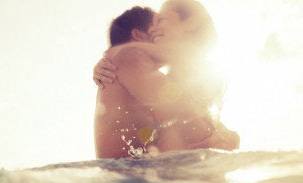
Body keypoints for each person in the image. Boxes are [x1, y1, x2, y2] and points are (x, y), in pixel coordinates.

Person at [94, 0, 239, 159]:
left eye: (161, 21)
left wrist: (226, 135)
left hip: (137, 175)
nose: (155, 30)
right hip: (126, 177)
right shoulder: (127, 59)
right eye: (153, 25)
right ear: (138, 35)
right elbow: (182, 114)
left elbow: (187, 113)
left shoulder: (179, 78)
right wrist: (221, 134)